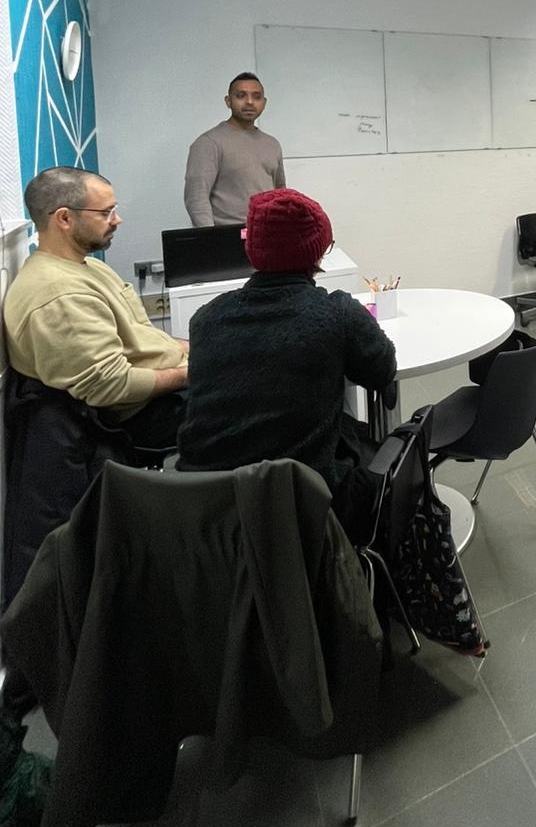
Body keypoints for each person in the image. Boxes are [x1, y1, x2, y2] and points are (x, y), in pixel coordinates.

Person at [177, 187, 396, 541]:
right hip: (301, 507)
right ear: (317, 253)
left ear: (252, 248)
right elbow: (382, 370)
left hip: (206, 512)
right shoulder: (336, 313)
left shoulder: (205, 319)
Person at [4, 167, 188, 441]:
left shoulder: (88, 267)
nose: (117, 220)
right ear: (64, 218)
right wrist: (192, 373)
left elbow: (142, 336)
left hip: (169, 390)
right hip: (149, 414)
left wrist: (205, 349)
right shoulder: (59, 296)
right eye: (105, 213)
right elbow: (111, 385)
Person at [184, 72, 285, 227]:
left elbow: (281, 193)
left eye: (256, 97)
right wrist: (211, 237)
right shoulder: (209, 143)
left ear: (264, 103)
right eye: (241, 96)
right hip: (227, 236)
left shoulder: (272, 144)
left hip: (267, 234)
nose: (249, 102)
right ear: (228, 101)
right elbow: (196, 198)